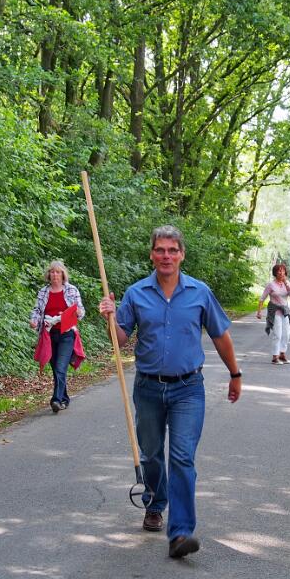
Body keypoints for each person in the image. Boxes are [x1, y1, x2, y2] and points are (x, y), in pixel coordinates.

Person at [98, 225, 242, 559]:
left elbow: (221, 335)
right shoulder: (136, 294)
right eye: (160, 250)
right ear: (152, 254)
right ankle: (155, 502)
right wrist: (108, 318)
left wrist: (235, 373)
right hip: (148, 387)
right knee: (150, 454)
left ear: (182, 255)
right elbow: (119, 341)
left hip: (189, 389)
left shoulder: (199, 292)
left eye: (172, 250)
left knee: (181, 458)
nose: (166, 256)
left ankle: (180, 533)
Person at [30, 260, 86, 413]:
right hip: (49, 335)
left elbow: (80, 310)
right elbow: (37, 310)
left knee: (61, 368)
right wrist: (34, 320)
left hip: (67, 334)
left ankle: (55, 399)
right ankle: (64, 398)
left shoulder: (71, 290)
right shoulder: (43, 292)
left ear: (63, 274)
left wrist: (78, 313)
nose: (55, 275)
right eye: (52, 272)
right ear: (49, 275)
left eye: (58, 272)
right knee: (56, 369)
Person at [256, 263, 290, 364]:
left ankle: (282, 354)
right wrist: (259, 312)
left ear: (285, 272)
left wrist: (286, 283)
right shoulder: (271, 285)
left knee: (287, 334)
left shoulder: (287, 283)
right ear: (275, 273)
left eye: (283, 270)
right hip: (275, 312)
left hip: (285, 311)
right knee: (278, 334)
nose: (281, 273)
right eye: (279, 271)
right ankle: (275, 357)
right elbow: (262, 298)